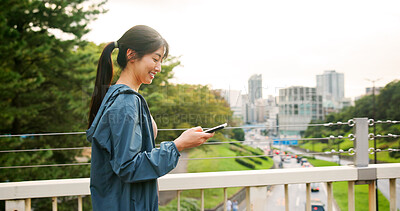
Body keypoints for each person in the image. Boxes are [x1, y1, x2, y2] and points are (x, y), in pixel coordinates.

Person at [86, 25, 214, 211]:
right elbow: (128, 166)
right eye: (155, 59)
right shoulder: (126, 103)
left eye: (161, 61)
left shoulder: (118, 96)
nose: (159, 68)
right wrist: (178, 145)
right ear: (131, 55)